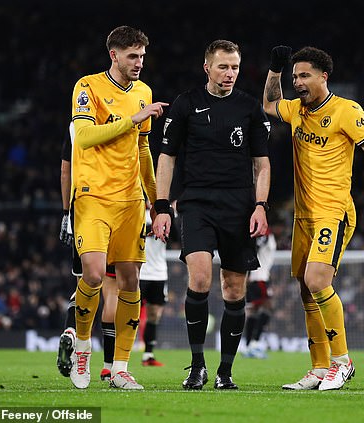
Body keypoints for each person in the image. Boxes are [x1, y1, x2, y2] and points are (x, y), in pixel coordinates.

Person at [263, 46, 364, 391]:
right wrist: (275, 70)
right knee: (306, 291)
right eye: (295, 76)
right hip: (304, 217)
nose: (298, 83)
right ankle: (318, 367)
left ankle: (342, 362)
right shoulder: (297, 110)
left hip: (333, 212)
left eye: (304, 75)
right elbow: (268, 104)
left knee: (317, 280)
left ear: (324, 76)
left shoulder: (346, 110)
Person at [152, 39, 271, 390]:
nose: (230, 73)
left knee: (234, 289)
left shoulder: (249, 108)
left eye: (235, 67)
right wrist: (162, 206)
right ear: (207, 67)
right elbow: (167, 158)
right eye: (223, 66)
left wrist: (261, 206)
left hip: (239, 207)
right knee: (200, 279)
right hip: (197, 204)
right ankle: (197, 366)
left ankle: (226, 371)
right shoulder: (186, 103)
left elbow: (262, 165)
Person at [69, 25, 168, 390]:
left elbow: (143, 151)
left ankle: (121, 367)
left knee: (130, 281)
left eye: (142, 56)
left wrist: (157, 203)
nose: (139, 62)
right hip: (93, 195)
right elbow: (84, 136)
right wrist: (132, 120)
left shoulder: (144, 92)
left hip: (130, 200)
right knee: (94, 274)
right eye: (132, 56)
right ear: (114, 55)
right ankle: (82, 347)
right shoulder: (88, 86)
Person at [57, 122, 119, 382]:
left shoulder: (75, 127)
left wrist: (65, 213)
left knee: (85, 282)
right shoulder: (125, 116)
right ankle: (112, 365)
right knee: (114, 288)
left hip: (81, 210)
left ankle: (73, 331)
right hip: (118, 208)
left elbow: (65, 171)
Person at [138, 203, 169, 367]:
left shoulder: (166, 215)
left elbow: (176, 237)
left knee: (154, 314)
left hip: (158, 272)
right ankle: (121, 354)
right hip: (140, 271)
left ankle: (148, 355)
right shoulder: (137, 212)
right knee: (130, 313)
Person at [243, 230, 276, 359]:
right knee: (267, 307)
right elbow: (255, 249)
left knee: (253, 311)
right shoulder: (264, 233)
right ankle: (255, 343)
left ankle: (248, 345)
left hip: (256, 277)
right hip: (259, 278)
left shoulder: (264, 234)